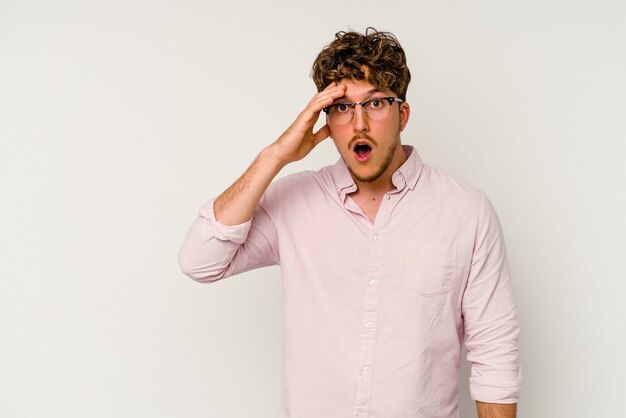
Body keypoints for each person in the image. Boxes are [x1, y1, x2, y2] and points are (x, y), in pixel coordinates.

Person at [178, 28, 521, 418]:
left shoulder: (466, 211)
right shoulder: (295, 202)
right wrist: (275, 156)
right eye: (342, 107)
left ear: (402, 114)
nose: (358, 124)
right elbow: (200, 260)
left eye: (375, 103)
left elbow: (494, 353)